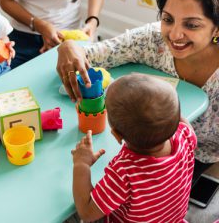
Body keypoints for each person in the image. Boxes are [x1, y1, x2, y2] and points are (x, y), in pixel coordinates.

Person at [57, 0, 219, 183]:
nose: (175, 34)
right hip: (142, 142)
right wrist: (68, 46)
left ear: (216, 27)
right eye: (168, 19)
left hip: (200, 153)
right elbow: (93, 54)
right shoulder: (151, 40)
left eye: (192, 25)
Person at [72, 73, 197, 222]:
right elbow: (178, 120)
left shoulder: (124, 172)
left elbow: (86, 213)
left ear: (117, 135)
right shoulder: (186, 136)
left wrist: (81, 164)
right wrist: (164, 108)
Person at [0, 0, 104, 69]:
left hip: (71, 37)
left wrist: (92, 22)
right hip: (24, 38)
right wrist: (39, 25)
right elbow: (6, 1)